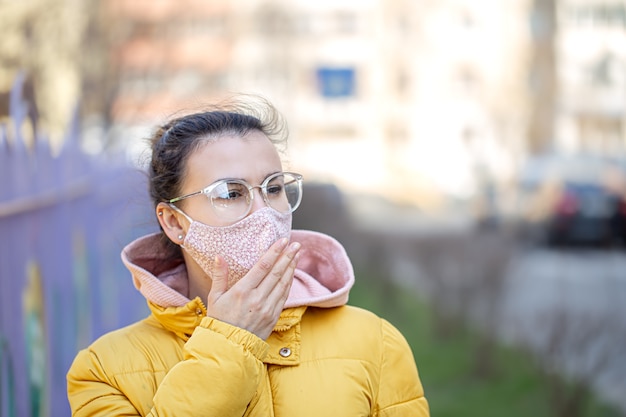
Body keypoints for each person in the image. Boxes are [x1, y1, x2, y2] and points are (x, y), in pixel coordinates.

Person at [66, 96, 430, 416]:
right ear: (175, 222)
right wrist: (228, 343)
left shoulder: (375, 343)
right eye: (230, 192)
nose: (264, 211)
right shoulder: (104, 371)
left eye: (274, 188)